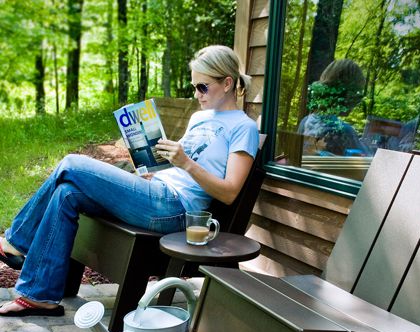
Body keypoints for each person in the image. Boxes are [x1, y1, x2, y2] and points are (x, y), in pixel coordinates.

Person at [0, 45, 259, 317]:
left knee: (70, 164)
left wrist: (185, 163)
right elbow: (180, 163)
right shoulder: (199, 117)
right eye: (194, 87)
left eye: (202, 87)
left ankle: (16, 242)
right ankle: (40, 296)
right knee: (66, 193)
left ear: (227, 83)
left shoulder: (243, 128)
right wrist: (155, 165)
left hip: (175, 208)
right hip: (157, 190)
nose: (197, 95)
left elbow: (229, 192)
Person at [298, 58, 370, 157]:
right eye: (357, 93)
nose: (358, 101)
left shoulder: (305, 122)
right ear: (345, 95)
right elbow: (371, 162)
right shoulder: (343, 131)